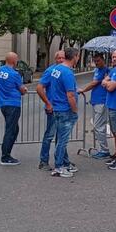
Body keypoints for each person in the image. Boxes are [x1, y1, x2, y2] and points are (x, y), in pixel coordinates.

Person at [45, 48, 79, 178]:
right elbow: (70, 95)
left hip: (57, 108)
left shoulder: (56, 69)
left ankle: (63, 164)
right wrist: (75, 110)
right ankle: (59, 166)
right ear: (75, 57)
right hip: (65, 109)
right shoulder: (68, 73)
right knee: (62, 140)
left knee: (60, 139)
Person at [35, 50, 65, 170]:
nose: (61, 60)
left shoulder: (65, 70)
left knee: (61, 137)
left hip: (63, 109)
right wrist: (48, 103)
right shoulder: (50, 71)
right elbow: (39, 87)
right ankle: (43, 161)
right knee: (49, 135)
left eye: (63, 58)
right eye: (59, 58)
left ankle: (61, 161)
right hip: (53, 109)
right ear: (55, 59)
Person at [0, 51, 27, 166]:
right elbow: (22, 90)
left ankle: (6, 154)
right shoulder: (15, 74)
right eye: (17, 59)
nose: (17, 61)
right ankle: (5, 156)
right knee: (11, 130)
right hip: (13, 104)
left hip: (3, 103)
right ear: (14, 61)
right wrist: (24, 90)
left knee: (14, 129)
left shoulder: (0, 71)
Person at [79, 53, 111, 159]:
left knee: (99, 126)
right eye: (95, 61)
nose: (96, 63)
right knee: (98, 126)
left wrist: (83, 90)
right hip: (96, 101)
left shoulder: (105, 71)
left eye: (98, 60)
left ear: (103, 60)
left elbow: (94, 83)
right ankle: (102, 149)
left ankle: (104, 150)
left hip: (102, 101)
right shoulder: (97, 70)